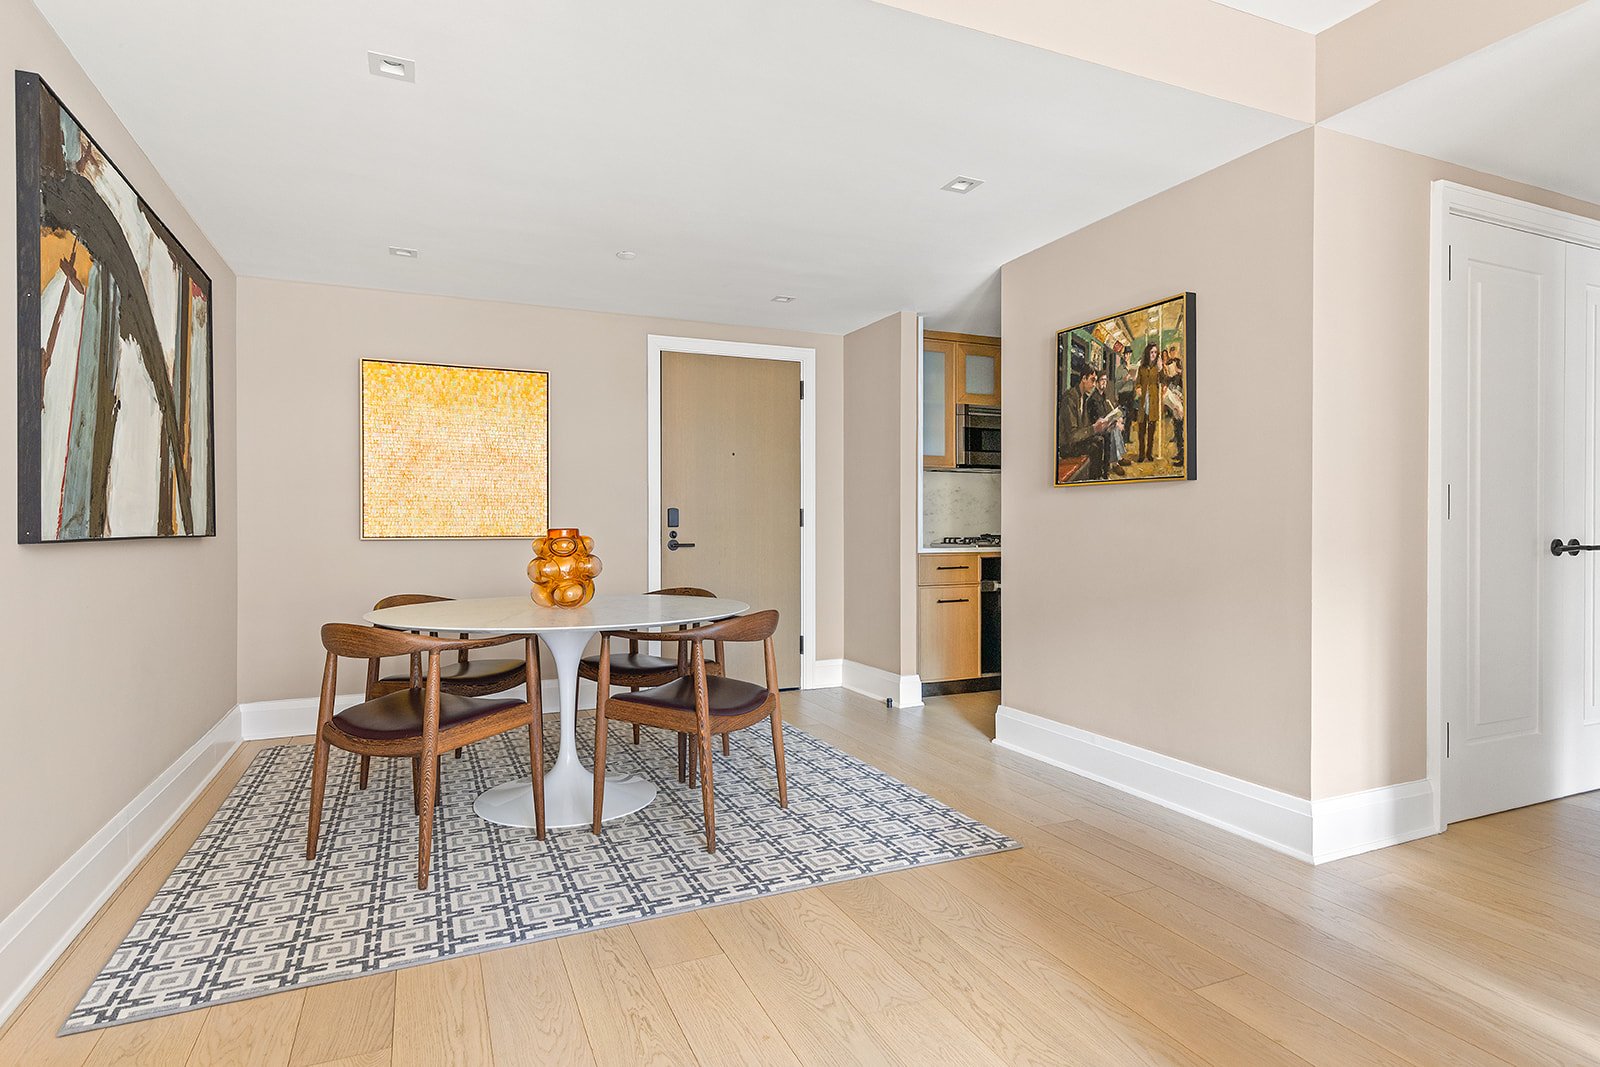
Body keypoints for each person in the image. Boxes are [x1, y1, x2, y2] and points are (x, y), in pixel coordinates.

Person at [1060, 367, 1115, 480]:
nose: (1094, 384)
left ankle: (1100, 475)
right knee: (1095, 446)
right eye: (1092, 380)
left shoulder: (1083, 397)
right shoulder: (1070, 398)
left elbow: (1085, 427)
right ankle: (1094, 479)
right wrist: (1094, 429)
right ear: (1084, 378)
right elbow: (1072, 435)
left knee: (1102, 438)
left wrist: (1099, 425)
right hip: (1068, 446)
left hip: (1077, 441)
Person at [1087, 368, 1128, 474]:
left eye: (1105, 380)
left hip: (1103, 424)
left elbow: (1106, 414)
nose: (1104, 382)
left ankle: (1119, 457)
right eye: (1102, 380)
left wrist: (1116, 419)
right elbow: (1098, 418)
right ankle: (1115, 463)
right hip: (1095, 428)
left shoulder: (1102, 396)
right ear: (1096, 383)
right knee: (1113, 430)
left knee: (1116, 426)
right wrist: (1112, 422)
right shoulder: (1094, 399)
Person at [1134, 342, 1163, 462]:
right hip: (1143, 403)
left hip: (1153, 403)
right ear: (1147, 353)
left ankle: (1149, 453)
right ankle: (1141, 454)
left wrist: (1161, 369)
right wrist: (1138, 387)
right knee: (1141, 431)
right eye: (1151, 352)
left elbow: (1163, 381)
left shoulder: (1158, 368)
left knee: (1151, 431)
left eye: (1155, 352)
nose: (1153, 354)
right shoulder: (1141, 368)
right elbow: (1137, 383)